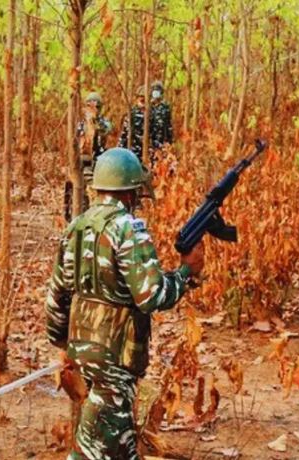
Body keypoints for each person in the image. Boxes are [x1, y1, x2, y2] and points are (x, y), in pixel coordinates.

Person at [46, 148, 205, 460]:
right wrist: (186, 272)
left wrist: (62, 343)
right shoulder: (128, 228)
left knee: (103, 442)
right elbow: (152, 296)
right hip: (116, 355)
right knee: (107, 446)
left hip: (83, 349)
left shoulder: (76, 227)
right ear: (131, 192)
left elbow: (57, 295)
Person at [65, 92, 113, 221]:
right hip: (82, 162)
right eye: (89, 106)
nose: (92, 109)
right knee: (77, 191)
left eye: (95, 107)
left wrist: (94, 121)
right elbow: (75, 140)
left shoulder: (103, 122)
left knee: (96, 191)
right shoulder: (81, 124)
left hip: (99, 162)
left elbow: (107, 129)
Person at [117, 86, 146, 160]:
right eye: (141, 98)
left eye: (145, 99)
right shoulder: (131, 113)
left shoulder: (152, 114)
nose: (143, 100)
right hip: (133, 152)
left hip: (147, 153)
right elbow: (124, 135)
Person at [150, 80, 173, 164]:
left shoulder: (165, 107)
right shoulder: (149, 106)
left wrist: (169, 140)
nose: (156, 92)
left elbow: (168, 125)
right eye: (154, 90)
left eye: (158, 90)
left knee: (161, 161)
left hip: (162, 138)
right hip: (151, 139)